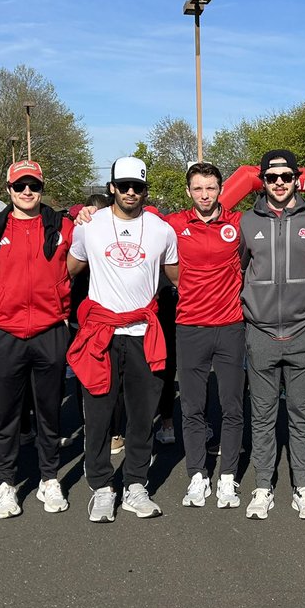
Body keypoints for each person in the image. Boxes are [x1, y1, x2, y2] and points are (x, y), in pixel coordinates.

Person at [67, 156, 178, 522]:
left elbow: (175, 274)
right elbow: (71, 268)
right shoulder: (90, 225)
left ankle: (135, 485)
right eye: (124, 185)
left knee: (141, 416)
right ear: (111, 187)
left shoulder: (162, 229)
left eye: (138, 186)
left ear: (146, 190)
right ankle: (101, 487)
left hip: (143, 333)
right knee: (98, 414)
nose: (131, 192)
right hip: (102, 334)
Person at [239, 150, 305, 520]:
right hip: (260, 331)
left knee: (300, 413)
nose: (279, 183)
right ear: (262, 180)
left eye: (286, 176)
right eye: (272, 177)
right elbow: (238, 267)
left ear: (298, 178)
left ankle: (302, 487)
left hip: (303, 330)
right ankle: (263, 487)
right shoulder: (246, 221)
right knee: (261, 415)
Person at [0, 160, 74, 518]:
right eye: (20, 186)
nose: (26, 192)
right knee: (7, 416)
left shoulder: (62, 227)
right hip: (6, 333)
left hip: (50, 331)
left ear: (41, 187)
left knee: (49, 412)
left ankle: (49, 479)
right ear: (9, 190)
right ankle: (7, 482)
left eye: (33, 185)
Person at [168, 162, 246, 508]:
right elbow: (133, 219)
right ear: (188, 192)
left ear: (220, 190)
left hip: (231, 326)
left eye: (211, 188)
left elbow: (281, 217)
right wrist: (88, 214)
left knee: (232, 405)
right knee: (193, 406)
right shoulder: (173, 224)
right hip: (190, 327)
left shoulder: (238, 222)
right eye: (198, 188)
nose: (204, 194)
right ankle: (197, 475)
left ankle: (228, 477)